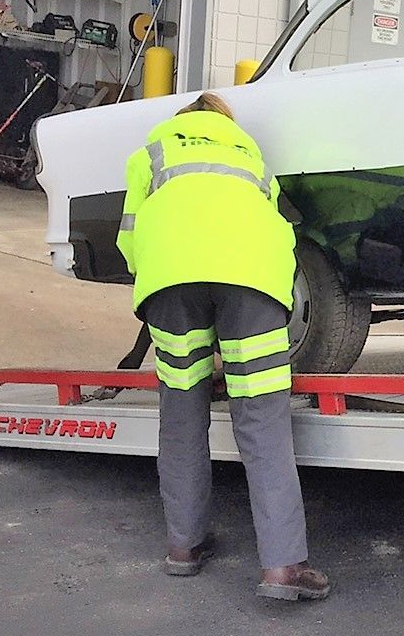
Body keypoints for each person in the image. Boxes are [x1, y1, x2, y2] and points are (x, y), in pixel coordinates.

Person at [117, 91, 331, 601]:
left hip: (171, 283)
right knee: (262, 418)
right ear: (224, 123)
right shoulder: (250, 155)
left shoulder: (153, 151)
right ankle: (282, 567)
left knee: (183, 409)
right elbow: (280, 227)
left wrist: (157, 279)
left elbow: (129, 235)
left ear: (183, 121)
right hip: (252, 282)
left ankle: (183, 547)